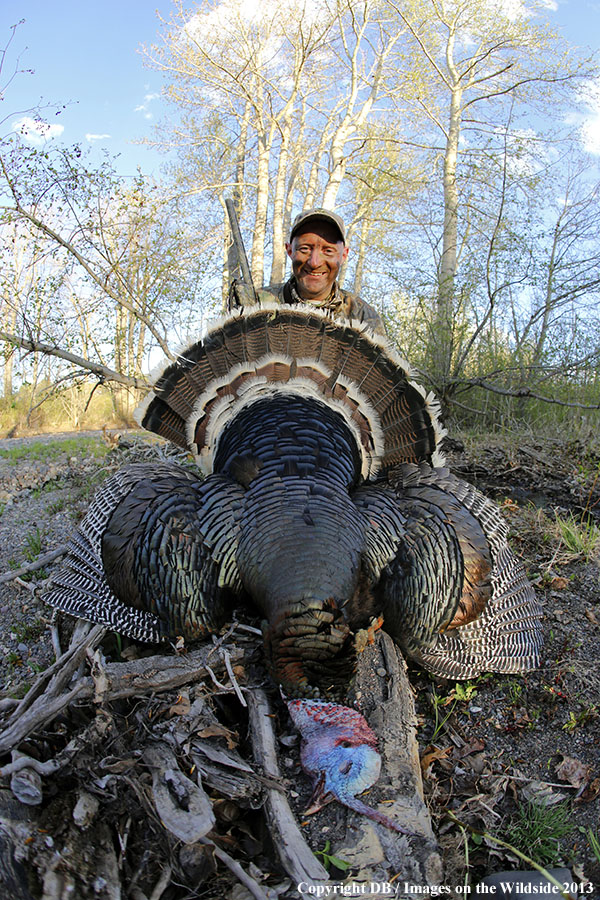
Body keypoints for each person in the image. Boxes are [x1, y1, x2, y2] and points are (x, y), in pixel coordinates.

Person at [229, 207, 385, 335]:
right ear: (289, 250)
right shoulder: (258, 305)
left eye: (328, 251)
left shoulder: (361, 316)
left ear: (343, 255)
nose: (314, 262)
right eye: (305, 249)